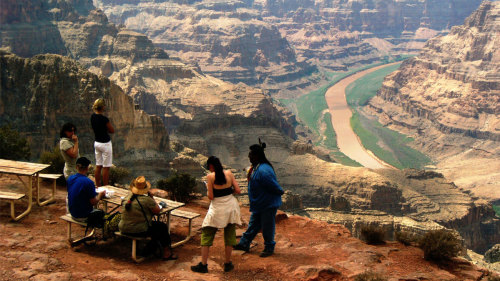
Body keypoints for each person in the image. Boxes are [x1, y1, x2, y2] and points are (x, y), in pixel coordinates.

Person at [191, 156, 241, 273]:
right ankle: (228, 263)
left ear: (211, 166)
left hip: (217, 208)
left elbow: (211, 197)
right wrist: (228, 192)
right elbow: (238, 190)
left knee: (207, 233)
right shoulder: (229, 173)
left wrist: (209, 190)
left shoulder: (210, 177)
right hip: (231, 207)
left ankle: (203, 265)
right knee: (229, 235)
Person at [233, 142, 284, 257]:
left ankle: (269, 248)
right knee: (253, 224)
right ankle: (244, 243)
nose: (248, 157)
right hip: (259, 203)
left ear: (256, 156)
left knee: (267, 226)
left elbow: (273, 186)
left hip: (267, 204)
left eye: (250, 155)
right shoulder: (257, 167)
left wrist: (280, 191)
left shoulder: (263, 170)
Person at [119, 176, 177, 261]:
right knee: (162, 227)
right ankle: (166, 253)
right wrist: (152, 197)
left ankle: (148, 249)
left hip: (123, 228)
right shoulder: (146, 200)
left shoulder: (127, 198)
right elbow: (157, 211)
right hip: (138, 230)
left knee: (153, 226)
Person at [67, 157, 106, 222]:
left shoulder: (70, 179)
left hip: (73, 213)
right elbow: (94, 202)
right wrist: (100, 195)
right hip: (84, 216)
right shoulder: (88, 182)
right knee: (103, 214)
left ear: (77, 167)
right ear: (87, 168)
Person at [91, 98, 114, 187]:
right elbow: (112, 130)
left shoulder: (92, 117)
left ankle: (97, 186)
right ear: (102, 107)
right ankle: (105, 188)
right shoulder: (104, 119)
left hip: (97, 143)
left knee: (98, 165)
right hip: (105, 144)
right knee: (106, 167)